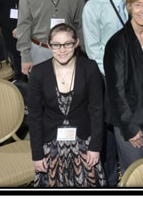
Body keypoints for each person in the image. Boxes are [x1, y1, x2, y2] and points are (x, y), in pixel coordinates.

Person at [28, 23, 105, 187]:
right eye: (56, 45)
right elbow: (34, 117)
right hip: (51, 144)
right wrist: (37, 154)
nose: (62, 50)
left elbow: (98, 111)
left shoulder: (89, 68)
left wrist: (95, 147)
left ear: (76, 43)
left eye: (67, 44)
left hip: (83, 141)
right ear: (49, 45)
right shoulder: (38, 73)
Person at [81, 0, 132, 185]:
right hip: (108, 80)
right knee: (110, 136)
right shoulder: (94, 6)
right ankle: (110, 183)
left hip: (139, 79)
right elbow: (93, 50)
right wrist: (118, 73)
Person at [103, 0, 143, 176]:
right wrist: (130, 129)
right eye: (138, 5)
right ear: (129, 6)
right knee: (136, 176)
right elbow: (116, 91)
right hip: (130, 121)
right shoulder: (117, 42)